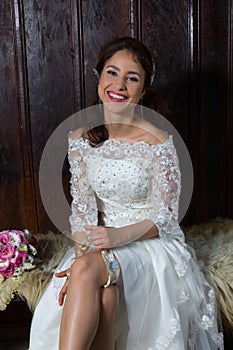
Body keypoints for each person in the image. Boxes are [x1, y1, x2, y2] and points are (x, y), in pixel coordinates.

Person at [29, 37, 224, 350]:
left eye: (131, 78)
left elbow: (166, 217)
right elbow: (82, 211)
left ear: (143, 89)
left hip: (148, 244)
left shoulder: (158, 141)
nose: (118, 84)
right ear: (99, 76)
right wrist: (85, 254)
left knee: (89, 274)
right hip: (98, 245)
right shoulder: (78, 138)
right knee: (101, 288)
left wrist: (117, 238)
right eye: (112, 72)